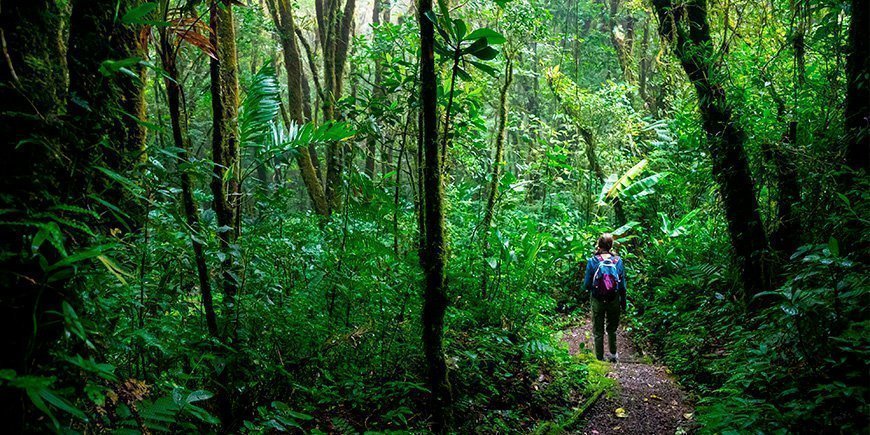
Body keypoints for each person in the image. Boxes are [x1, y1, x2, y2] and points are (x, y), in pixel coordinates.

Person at [583, 233, 627, 362]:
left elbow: (586, 285)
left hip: (597, 300)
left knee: (598, 330)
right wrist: (623, 302)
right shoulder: (618, 261)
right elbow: (622, 285)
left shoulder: (592, 261)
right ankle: (613, 355)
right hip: (614, 299)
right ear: (611, 245)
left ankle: (599, 357)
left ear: (599, 245)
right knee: (612, 329)